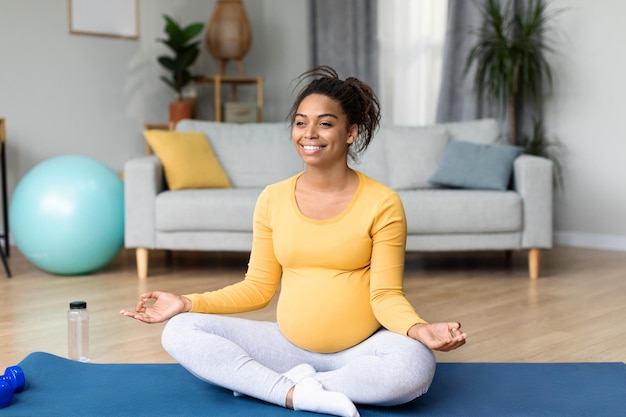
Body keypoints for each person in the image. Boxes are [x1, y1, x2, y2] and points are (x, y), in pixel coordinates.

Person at [120, 66, 466, 417]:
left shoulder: (383, 202)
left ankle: (276, 386)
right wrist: (187, 302)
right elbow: (257, 287)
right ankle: (292, 393)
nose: (309, 133)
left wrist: (419, 328)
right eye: (300, 122)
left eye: (325, 123)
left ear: (351, 132)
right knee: (179, 330)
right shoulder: (272, 198)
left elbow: (385, 295)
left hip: (359, 350)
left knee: (414, 363)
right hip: (286, 346)